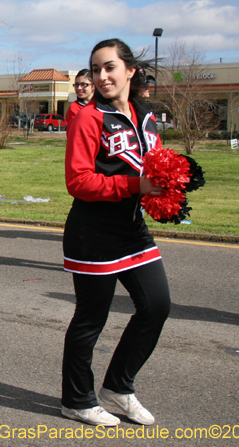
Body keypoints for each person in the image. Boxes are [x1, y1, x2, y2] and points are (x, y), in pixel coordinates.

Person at [61, 39, 170, 427]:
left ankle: (118, 389)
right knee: (91, 318)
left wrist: (168, 187)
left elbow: (151, 166)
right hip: (93, 231)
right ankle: (76, 399)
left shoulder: (147, 117)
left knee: (157, 306)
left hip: (132, 229)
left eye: (109, 67)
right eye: (95, 69)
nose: (101, 76)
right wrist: (133, 187)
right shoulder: (89, 118)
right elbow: (79, 181)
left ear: (129, 70)